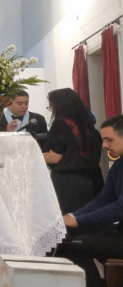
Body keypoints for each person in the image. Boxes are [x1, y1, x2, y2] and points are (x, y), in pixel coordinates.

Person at [57, 114, 123, 287]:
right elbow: (103, 199)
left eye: (109, 140)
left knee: (69, 247)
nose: (104, 145)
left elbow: (120, 207)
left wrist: (77, 220)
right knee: (64, 237)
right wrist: (72, 216)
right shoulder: (119, 165)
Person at [43, 88, 104, 214]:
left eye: (52, 106)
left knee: (70, 221)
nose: (52, 111)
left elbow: (55, 157)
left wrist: (32, 154)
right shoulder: (88, 124)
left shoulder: (61, 125)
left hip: (68, 182)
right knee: (89, 220)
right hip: (93, 179)